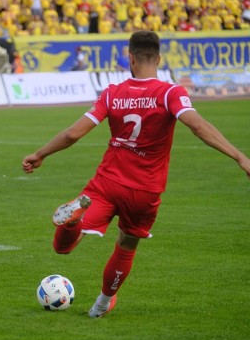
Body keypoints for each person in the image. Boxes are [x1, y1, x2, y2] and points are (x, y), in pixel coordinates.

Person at [22, 30, 250, 317]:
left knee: (64, 248)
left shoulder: (113, 93)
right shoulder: (170, 93)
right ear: (158, 58)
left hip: (106, 183)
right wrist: (240, 157)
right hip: (144, 190)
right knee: (127, 245)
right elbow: (198, 126)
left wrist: (40, 154)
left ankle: (71, 222)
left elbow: (72, 134)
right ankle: (101, 305)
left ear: (130, 58)